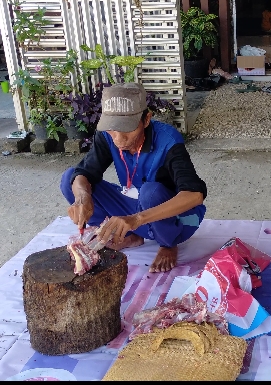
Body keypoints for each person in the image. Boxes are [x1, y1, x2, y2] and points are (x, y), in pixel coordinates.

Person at [61, 83, 207, 273]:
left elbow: (195, 194)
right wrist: (83, 199)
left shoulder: (168, 141)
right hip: (136, 206)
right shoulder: (107, 136)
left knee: (150, 192)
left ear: (146, 120)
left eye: (127, 129)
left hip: (174, 218)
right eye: (112, 129)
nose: (118, 139)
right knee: (70, 180)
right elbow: (83, 173)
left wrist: (137, 219)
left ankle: (168, 243)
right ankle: (126, 236)